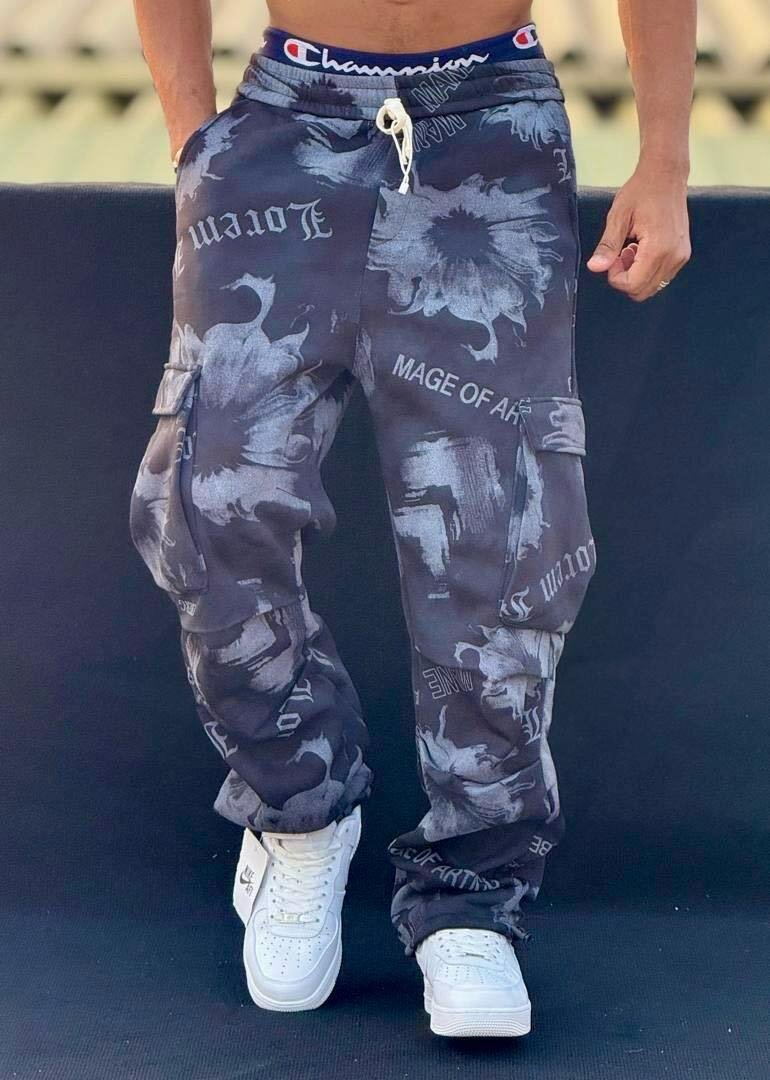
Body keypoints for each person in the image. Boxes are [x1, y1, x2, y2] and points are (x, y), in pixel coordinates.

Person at [129, 0, 694, 1038]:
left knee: (505, 532)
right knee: (206, 501)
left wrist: (663, 159)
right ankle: (300, 811)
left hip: (490, 125)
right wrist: (192, 138)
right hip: (281, 123)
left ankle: (470, 896)